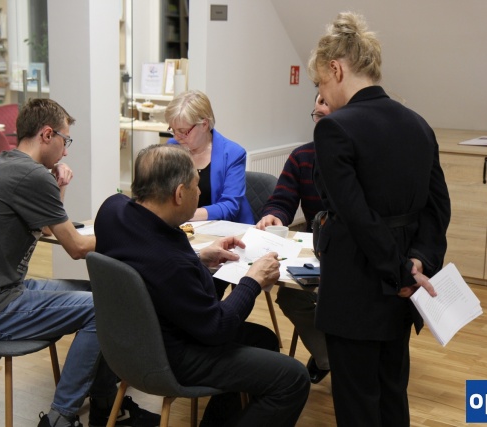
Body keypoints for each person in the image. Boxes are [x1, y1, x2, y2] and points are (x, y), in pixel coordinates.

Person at [0, 99, 159, 427]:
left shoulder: (3, 161)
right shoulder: (32, 175)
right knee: (103, 308)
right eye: (65, 140)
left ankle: (105, 404)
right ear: (47, 134)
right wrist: (136, 236)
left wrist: (59, 186)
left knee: (103, 294)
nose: (66, 150)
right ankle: (61, 418)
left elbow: (46, 227)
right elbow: (75, 247)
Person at [94, 144, 310, 427]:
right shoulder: (170, 262)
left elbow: (152, 268)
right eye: (196, 186)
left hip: (129, 345)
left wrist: (199, 259)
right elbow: (218, 328)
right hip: (173, 356)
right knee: (294, 378)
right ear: (179, 194)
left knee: (263, 340)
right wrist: (253, 280)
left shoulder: (112, 210)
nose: (199, 193)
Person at [308, 12, 451, 426]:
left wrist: (399, 271)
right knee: (392, 393)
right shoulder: (418, 124)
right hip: (405, 288)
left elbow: (356, 216)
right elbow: (438, 207)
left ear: (336, 69)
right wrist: (418, 261)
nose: (323, 94)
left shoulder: (334, 129)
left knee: (357, 403)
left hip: (358, 285)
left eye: (320, 83)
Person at [255, 94, 331, 384]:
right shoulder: (302, 156)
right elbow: (281, 201)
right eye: (318, 115)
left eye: (328, 113)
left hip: (356, 256)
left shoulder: (366, 157)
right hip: (317, 252)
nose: (322, 119)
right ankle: (328, 356)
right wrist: (273, 216)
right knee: (290, 295)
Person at [164, 90, 253, 223]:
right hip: (184, 226)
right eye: (173, 130)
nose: (177, 137)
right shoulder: (172, 148)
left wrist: (184, 215)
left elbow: (230, 206)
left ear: (204, 124)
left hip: (226, 228)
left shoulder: (232, 154)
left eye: (183, 131)